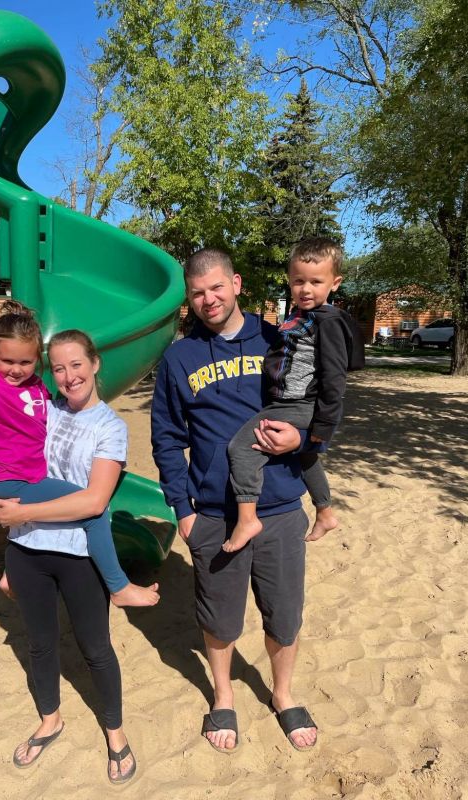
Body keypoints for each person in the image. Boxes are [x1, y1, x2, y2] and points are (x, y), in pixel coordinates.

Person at [151, 247, 319, 753]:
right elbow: (165, 438)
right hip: (214, 517)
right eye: (198, 293)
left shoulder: (279, 339)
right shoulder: (180, 357)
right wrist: (182, 511)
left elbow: (317, 406)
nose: (209, 300)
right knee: (220, 620)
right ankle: (223, 694)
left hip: (283, 507)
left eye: (217, 287)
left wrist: (304, 441)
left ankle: (283, 694)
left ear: (237, 283)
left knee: (284, 616)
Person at [0, 329, 146, 781]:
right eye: (58, 367)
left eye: (76, 364)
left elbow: (93, 502)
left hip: (78, 554)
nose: (68, 375)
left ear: (95, 364)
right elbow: (0, 451)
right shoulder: (41, 409)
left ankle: (114, 732)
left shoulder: (109, 427)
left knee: (95, 648)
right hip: (26, 548)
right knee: (39, 644)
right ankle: (50, 719)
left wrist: (22, 510)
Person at [0, 300, 158, 608]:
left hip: (28, 478)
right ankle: (118, 586)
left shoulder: (38, 391)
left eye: (26, 362)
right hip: (15, 481)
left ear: (37, 361)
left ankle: (12, 573)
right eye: (6, 360)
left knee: (67, 510)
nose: (16, 369)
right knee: (95, 513)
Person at [224, 237, 351, 553]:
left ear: (334, 283)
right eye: (299, 281)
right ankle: (325, 511)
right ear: (290, 280)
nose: (306, 289)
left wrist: (322, 430)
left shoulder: (328, 321)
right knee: (305, 457)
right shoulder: (301, 315)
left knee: (240, 447)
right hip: (291, 401)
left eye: (316, 282)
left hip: (299, 404)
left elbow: (335, 379)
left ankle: (247, 517)